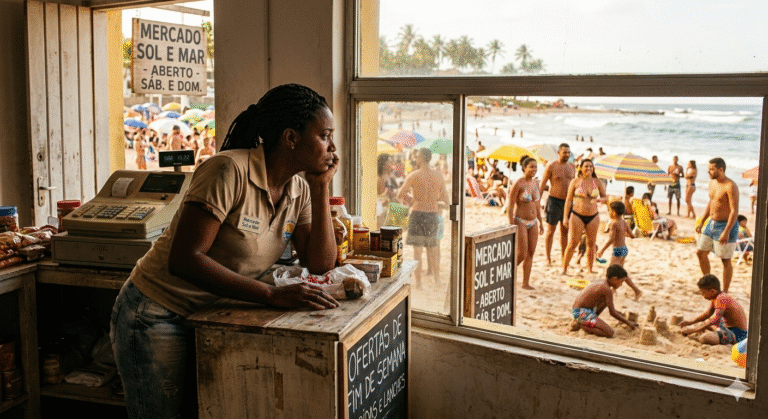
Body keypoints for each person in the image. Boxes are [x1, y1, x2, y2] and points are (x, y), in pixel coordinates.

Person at [110, 84, 341, 419]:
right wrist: (271, 295)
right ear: (291, 138)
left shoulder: (300, 188)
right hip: (157, 313)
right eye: (324, 135)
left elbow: (319, 263)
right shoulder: (228, 170)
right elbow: (184, 260)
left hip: (215, 314)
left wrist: (321, 187)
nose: (332, 147)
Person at [397, 147, 449, 288]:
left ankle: (419, 283)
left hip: (418, 213)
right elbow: (447, 201)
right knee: (432, 249)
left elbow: (400, 194)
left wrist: (413, 200)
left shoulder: (414, 175)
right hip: (432, 214)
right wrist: (435, 203)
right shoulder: (438, 176)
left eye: (417, 157)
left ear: (420, 158)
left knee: (417, 252)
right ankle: (437, 279)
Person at [695, 157, 739, 293]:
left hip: (726, 225)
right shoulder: (712, 183)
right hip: (711, 224)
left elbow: (734, 211)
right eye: (708, 169)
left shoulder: (730, 186)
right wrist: (702, 220)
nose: (709, 172)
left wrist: (726, 232)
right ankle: (708, 284)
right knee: (700, 253)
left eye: (712, 169)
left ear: (721, 169)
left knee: (725, 260)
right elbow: (711, 203)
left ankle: (724, 291)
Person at [562, 159, 606, 275]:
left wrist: (599, 199)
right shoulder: (575, 182)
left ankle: (590, 269)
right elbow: (568, 200)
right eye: (586, 166)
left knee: (591, 244)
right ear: (580, 168)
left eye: (591, 166)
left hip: (593, 216)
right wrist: (565, 217)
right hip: (577, 215)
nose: (588, 168)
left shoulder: (597, 182)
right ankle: (564, 268)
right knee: (573, 243)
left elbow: (605, 198)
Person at [570, 264, 638, 337]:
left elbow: (611, 308)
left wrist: (620, 315)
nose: (621, 285)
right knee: (609, 333)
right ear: (614, 279)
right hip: (580, 313)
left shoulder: (602, 282)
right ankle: (584, 326)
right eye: (621, 282)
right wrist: (628, 322)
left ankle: (587, 322)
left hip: (579, 311)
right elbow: (612, 312)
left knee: (605, 301)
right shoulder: (606, 289)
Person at [507, 156, 544, 290]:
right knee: (521, 254)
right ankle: (506, 273)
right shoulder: (518, 183)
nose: (534, 169)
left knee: (531, 252)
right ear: (524, 168)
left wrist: (540, 221)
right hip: (520, 221)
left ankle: (525, 283)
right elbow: (510, 206)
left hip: (533, 221)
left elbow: (537, 204)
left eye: (535, 167)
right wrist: (511, 224)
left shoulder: (535, 183)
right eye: (531, 167)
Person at [680, 275, 747, 346]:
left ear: (712, 291)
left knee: (704, 338)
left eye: (703, 293)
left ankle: (723, 335)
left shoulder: (721, 299)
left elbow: (716, 320)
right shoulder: (715, 297)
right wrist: (690, 322)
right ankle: (718, 332)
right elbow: (707, 314)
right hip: (727, 326)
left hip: (738, 334)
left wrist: (693, 330)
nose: (703, 295)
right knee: (706, 322)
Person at [596, 201, 642, 300]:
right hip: (624, 249)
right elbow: (632, 235)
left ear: (614, 212)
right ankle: (616, 290)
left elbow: (611, 239)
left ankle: (609, 290)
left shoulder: (614, 223)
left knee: (610, 273)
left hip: (617, 250)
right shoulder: (624, 222)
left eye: (610, 211)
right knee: (620, 273)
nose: (609, 212)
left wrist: (602, 250)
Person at [539, 143, 575, 265]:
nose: (567, 155)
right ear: (558, 153)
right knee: (550, 230)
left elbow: (576, 185)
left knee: (565, 230)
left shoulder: (572, 167)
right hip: (554, 200)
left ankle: (562, 257)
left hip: (568, 203)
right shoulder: (551, 166)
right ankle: (548, 258)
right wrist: (537, 201)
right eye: (565, 152)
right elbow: (543, 184)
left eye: (568, 152)